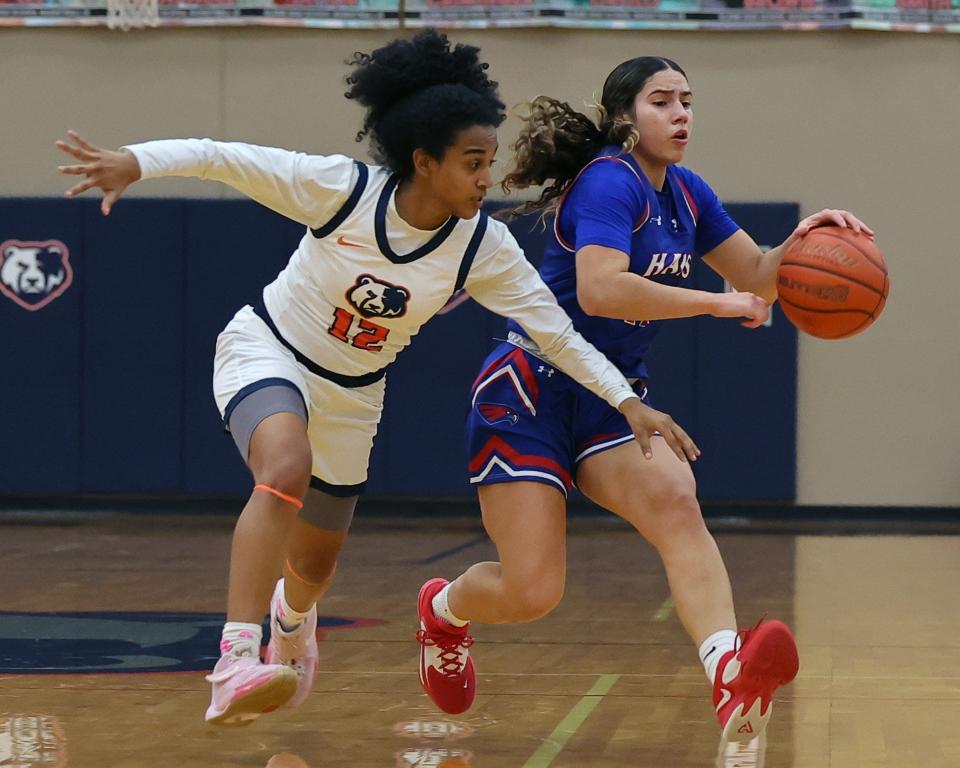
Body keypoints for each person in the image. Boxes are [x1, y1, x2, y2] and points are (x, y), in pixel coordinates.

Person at [55, 32, 699, 727]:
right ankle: (236, 659)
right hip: (270, 350)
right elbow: (224, 159)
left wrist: (627, 402)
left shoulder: (483, 246)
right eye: (472, 163)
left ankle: (292, 624)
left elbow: (557, 336)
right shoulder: (342, 191)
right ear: (424, 161)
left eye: (489, 162)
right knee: (283, 465)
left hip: (354, 392)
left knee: (316, 563)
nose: (487, 178)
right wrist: (136, 163)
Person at [415, 56, 873, 742]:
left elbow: (757, 273)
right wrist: (712, 305)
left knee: (676, 500)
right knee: (533, 591)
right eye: (663, 101)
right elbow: (602, 289)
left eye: (688, 99)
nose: (682, 113)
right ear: (626, 117)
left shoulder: (687, 193)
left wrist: (812, 242)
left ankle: (726, 671)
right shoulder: (608, 182)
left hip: (614, 398)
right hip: (530, 387)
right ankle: (444, 610)